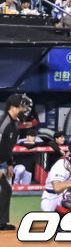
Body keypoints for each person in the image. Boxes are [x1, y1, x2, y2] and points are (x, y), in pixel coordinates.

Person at [0, 94, 32, 230]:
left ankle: (2, 223)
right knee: (4, 189)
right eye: (22, 105)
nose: (24, 108)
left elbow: (8, 147)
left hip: (2, 162)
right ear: (12, 107)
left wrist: (10, 163)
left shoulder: (15, 123)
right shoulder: (4, 121)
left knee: (6, 190)